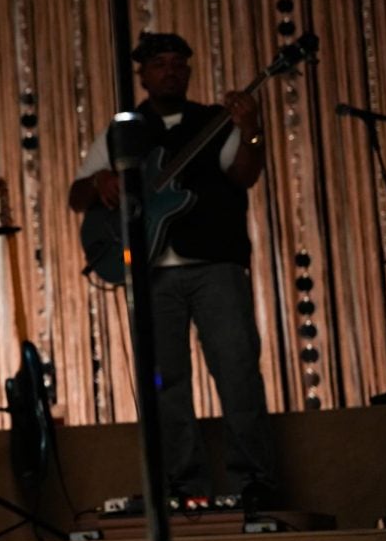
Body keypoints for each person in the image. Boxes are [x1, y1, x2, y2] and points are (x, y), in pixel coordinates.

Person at [67, 32, 278, 511]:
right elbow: (77, 197)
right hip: (150, 272)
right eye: (160, 63)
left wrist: (251, 129)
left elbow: (244, 175)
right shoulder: (124, 130)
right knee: (165, 384)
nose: (171, 71)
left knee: (238, 372)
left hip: (216, 266)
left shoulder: (214, 121)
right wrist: (101, 179)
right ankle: (185, 486)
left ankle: (255, 482)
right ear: (142, 73)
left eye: (179, 63)